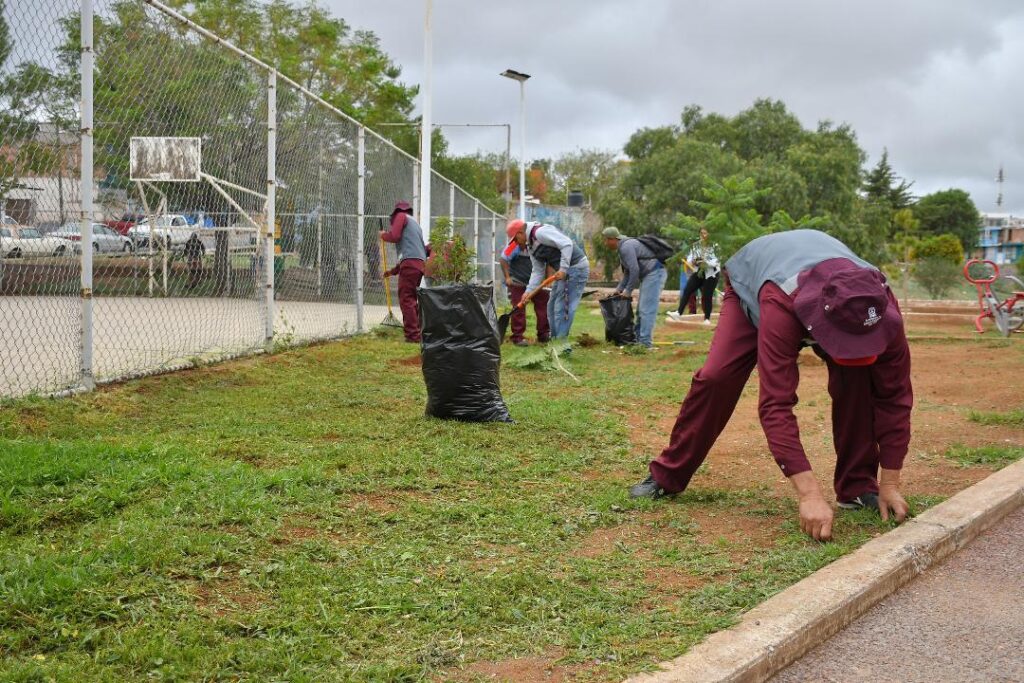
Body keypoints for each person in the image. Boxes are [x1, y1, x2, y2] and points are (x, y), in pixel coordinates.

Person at [630, 229, 913, 542]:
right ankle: (667, 475)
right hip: (759, 282)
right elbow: (776, 404)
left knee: (857, 380)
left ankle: (858, 486)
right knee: (717, 377)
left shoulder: (881, 308)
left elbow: (896, 397)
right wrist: (808, 495)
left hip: (819, 280)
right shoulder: (780, 303)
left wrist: (889, 483)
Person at [507, 219, 590, 340]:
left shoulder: (540, 232)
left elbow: (567, 243)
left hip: (576, 267)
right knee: (551, 305)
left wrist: (563, 268)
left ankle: (561, 343)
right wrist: (528, 291)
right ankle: (555, 339)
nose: (516, 243)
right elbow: (538, 271)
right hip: (563, 271)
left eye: (515, 239)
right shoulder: (530, 247)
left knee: (562, 306)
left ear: (520, 233)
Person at [601, 226, 669, 348]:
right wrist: (618, 290)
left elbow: (634, 270)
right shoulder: (623, 247)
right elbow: (627, 272)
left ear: (613, 239)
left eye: (606, 240)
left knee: (646, 310)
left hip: (655, 273)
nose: (605, 243)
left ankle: (645, 343)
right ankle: (638, 340)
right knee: (640, 310)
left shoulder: (626, 247)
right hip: (649, 275)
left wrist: (628, 291)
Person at [380, 201, 426, 343]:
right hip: (418, 264)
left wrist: (383, 235)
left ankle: (413, 336)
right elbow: (412, 251)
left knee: (406, 299)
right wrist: (392, 271)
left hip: (411, 263)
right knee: (412, 299)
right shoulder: (415, 224)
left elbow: (394, 236)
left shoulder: (401, 216)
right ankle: (416, 333)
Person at [500, 239, 550, 346]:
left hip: (537, 283)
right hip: (518, 282)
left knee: (543, 307)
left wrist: (548, 280)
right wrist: (507, 277)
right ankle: (517, 337)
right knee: (519, 309)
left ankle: (544, 334)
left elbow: (548, 262)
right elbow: (503, 259)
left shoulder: (541, 245)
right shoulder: (513, 245)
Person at [667, 227, 720, 325]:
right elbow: (689, 259)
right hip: (699, 272)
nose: (703, 236)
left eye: (705, 233)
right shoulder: (696, 246)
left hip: (711, 274)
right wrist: (694, 261)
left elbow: (716, 262)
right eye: (701, 233)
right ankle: (678, 313)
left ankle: (707, 319)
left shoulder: (715, 246)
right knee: (688, 289)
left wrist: (706, 262)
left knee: (707, 296)